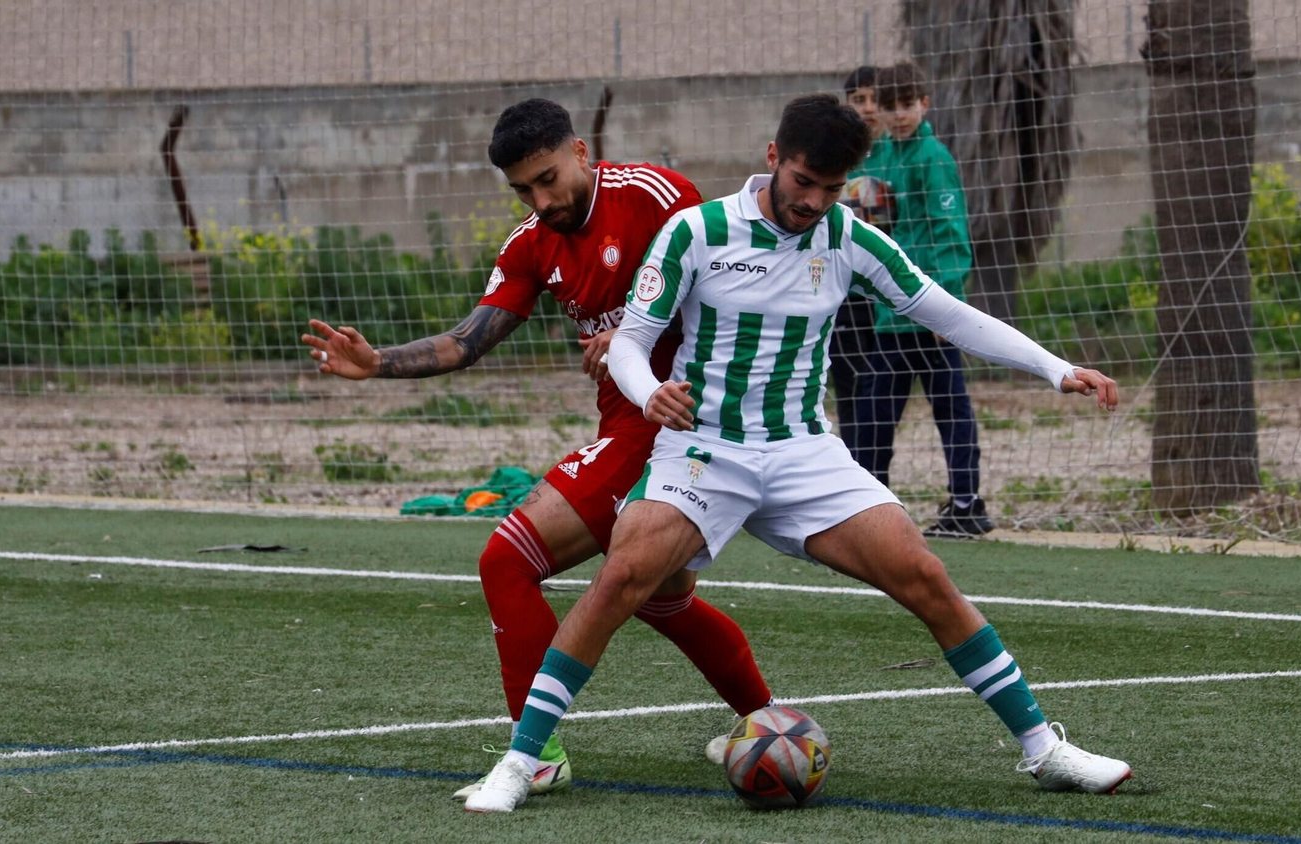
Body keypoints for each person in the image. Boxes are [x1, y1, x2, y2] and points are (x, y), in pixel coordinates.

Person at [464, 94, 1129, 814]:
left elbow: (943, 310)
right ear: (773, 159)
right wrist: (650, 389)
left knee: (925, 575)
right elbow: (629, 340)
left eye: (832, 188)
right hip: (705, 450)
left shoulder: (847, 237)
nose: (814, 202)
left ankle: (1045, 750)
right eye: (804, 183)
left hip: (803, 451)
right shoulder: (698, 230)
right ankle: (522, 760)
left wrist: (1056, 369)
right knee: (623, 578)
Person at [301, 98, 772, 800]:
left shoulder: (655, 194)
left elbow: (730, 282)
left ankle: (537, 750)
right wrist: (378, 365)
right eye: (524, 189)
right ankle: (768, 723)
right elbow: (470, 339)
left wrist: (636, 330)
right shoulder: (532, 243)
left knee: (507, 558)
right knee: (661, 599)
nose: (541, 199)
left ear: (581, 152)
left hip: (677, 421)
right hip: (628, 427)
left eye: (549, 179)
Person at [858, 62, 994, 537]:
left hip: (931, 313)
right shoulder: (879, 160)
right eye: (890, 106)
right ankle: (867, 505)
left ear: (924, 104)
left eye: (907, 105)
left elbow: (950, 235)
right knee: (876, 411)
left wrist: (949, 305)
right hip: (890, 313)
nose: (899, 115)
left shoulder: (933, 157)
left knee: (951, 409)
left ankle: (966, 504)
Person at [830, 65, 886, 469]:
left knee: (883, 389)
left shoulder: (900, 158)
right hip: (846, 294)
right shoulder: (836, 159)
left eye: (876, 99)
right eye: (859, 100)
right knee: (850, 386)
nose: (868, 108)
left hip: (890, 296)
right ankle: (854, 472)